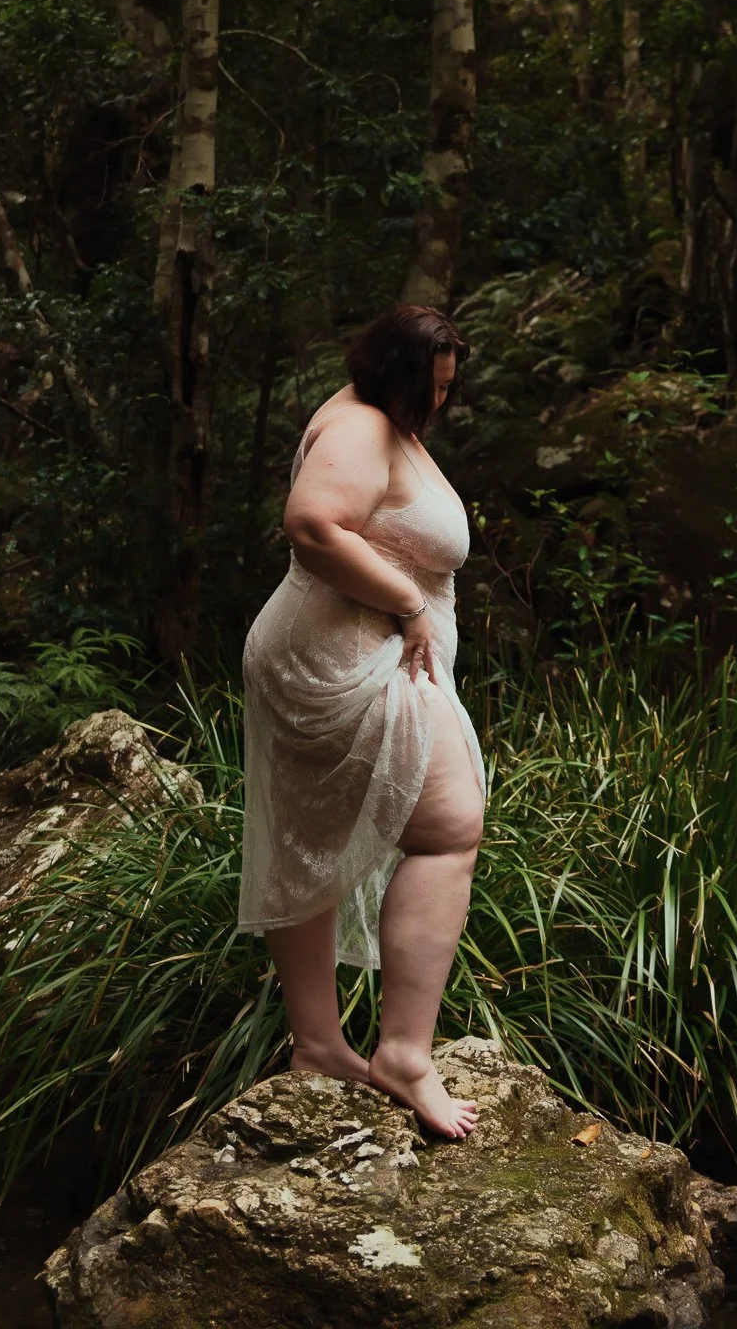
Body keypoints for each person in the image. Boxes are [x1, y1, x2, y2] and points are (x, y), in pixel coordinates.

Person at [238, 304, 487, 1138]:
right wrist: (408, 600)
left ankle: (317, 1043)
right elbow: (311, 526)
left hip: (338, 649)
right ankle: (403, 1055)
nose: (442, 403)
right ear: (396, 373)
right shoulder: (359, 429)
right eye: (435, 386)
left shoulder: (377, 415)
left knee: (314, 829)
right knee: (449, 824)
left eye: (450, 388)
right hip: (335, 656)